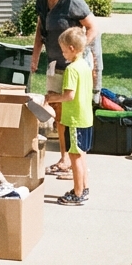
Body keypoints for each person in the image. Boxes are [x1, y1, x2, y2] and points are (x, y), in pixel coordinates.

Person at [28, 0, 99, 179]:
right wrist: (35, 54)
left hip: (74, 64)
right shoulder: (43, 1)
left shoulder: (72, 0)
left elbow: (93, 27)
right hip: (55, 62)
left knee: (73, 113)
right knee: (58, 112)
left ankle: (77, 163)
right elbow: (41, 29)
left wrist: (78, 52)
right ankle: (64, 160)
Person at [46, 27, 92, 205]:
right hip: (86, 118)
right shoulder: (85, 65)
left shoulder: (72, 69)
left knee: (74, 158)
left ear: (72, 48)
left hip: (74, 119)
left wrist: (52, 97)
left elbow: (69, 95)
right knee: (81, 155)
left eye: (64, 50)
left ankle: (78, 193)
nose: (63, 54)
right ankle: (84, 187)